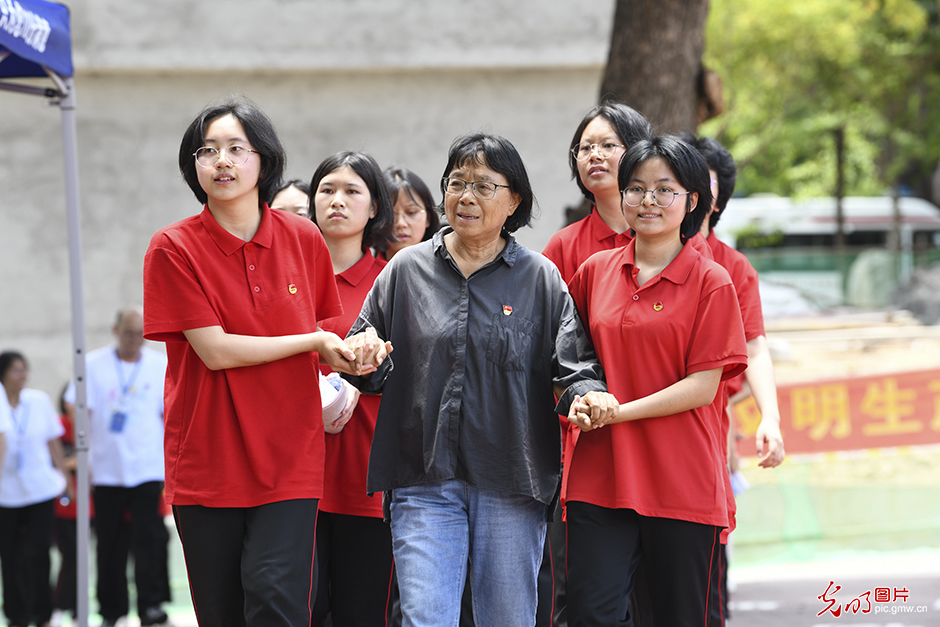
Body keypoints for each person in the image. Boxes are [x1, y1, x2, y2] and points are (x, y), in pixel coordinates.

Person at [343, 132, 617, 627]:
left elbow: (574, 367)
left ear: (514, 200)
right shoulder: (405, 271)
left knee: (507, 619)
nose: (466, 196)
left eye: (484, 186)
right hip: (423, 477)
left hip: (512, 479)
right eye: (457, 183)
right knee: (426, 618)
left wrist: (587, 396)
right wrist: (362, 357)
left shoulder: (540, 278)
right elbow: (367, 363)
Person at [142, 96, 360, 627]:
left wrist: (354, 350)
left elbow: (331, 335)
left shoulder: (304, 238)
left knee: (277, 601)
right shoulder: (172, 248)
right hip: (208, 459)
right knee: (222, 612)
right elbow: (214, 351)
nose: (222, 161)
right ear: (192, 166)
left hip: (290, 457)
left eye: (237, 149)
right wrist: (309, 342)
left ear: (264, 160)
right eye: (208, 150)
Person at [564, 135, 748, 626]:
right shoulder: (593, 272)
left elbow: (703, 386)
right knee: (589, 613)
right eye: (637, 188)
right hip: (599, 478)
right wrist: (577, 398)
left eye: (665, 189)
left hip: (680, 480)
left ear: (692, 201)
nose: (648, 200)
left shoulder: (712, 281)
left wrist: (617, 410)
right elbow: (567, 360)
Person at [540, 101, 653, 627]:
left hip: (660, 436)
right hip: (585, 443)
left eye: (609, 144)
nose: (595, 155)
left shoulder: (670, 241)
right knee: (585, 600)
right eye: (586, 147)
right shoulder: (564, 248)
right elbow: (550, 348)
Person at [683, 134, 786, 626]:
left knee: (704, 585)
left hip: (704, 443)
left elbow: (753, 348)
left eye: (703, 181)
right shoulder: (621, 259)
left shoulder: (732, 268)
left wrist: (770, 417)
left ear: (715, 199)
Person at [306, 151, 394, 626]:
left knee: (364, 613)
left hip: (369, 478)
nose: (337, 201)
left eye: (351, 191)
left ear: (375, 206)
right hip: (297, 479)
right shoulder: (290, 278)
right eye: (326, 190)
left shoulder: (394, 279)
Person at [64, 306, 171, 627]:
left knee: (149, 540)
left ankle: (150, 606)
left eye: (140, 334)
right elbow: (73, 402)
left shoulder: (159, 364)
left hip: (148, 466)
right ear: (115, 331)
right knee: (109, 542)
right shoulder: (93, 364)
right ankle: (112, 610)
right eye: (128, 333)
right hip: (107, 468)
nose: (135, 340)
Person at [0, 351, 67, 627]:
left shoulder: (37, 401)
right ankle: (17, 614)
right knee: (10, 554)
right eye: (16, 370)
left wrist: (64, 476)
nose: (23, 375)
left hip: (39, 489)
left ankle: (43, 612)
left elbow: (53, 441)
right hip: (6, 493)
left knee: (40, 551)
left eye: (25, 370)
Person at [380, 166, 441, 260]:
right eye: (390, 214)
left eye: (411, 212)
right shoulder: (368, 274)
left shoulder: (445, 272)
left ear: (428, 218)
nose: (401, 224)